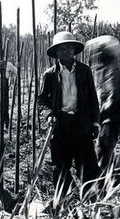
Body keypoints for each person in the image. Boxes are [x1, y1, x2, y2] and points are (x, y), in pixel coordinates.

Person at [38, 31, 100, 197]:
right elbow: (41, 100)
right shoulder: (49, 74)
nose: (65, 51)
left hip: (81, 123)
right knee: (60, 168)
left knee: (88, 165)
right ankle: (66, 201)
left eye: (68, 48)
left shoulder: (84, 71)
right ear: (56, 53)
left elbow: (92, 98)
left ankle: (91, 200)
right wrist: (49, 113)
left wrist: (95, 123)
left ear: (74, 50)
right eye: (61, 49)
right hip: (60, 125)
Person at [86, 35, 120, 172]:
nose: (96, 54)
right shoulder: (104, 68)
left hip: (114, 116)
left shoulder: (112, 70)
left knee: (103, 147)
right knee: (105, 147)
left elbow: (113, 98)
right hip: (114, 114)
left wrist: (99, 116)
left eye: (98, 51)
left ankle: (102, 180)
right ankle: (108, 173)